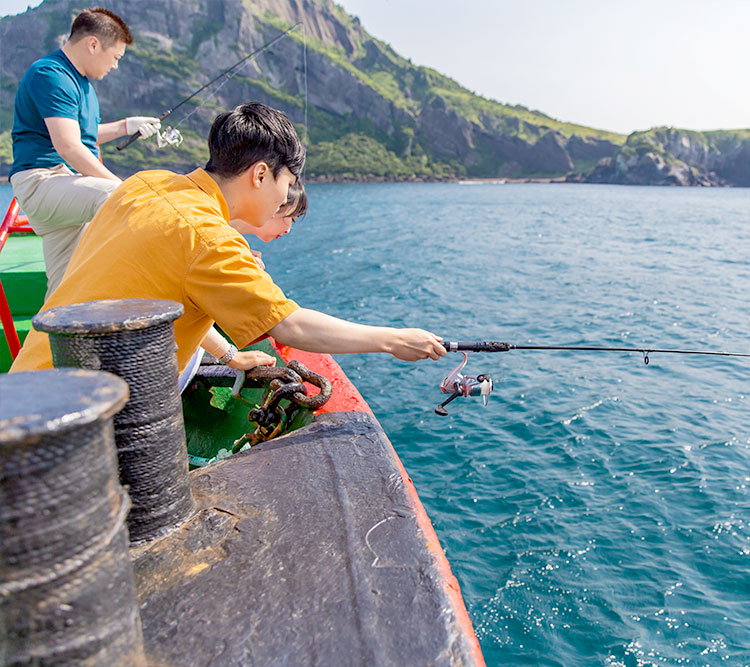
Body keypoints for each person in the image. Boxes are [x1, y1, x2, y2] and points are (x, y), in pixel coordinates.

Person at [10, 102, 445, 376]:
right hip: (79, 420)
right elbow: (290, 324)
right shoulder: (210, 240)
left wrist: (227, 354)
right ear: (260, 174)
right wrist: (393, 339)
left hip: (30, 381)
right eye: (286, 182)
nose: (283, 198)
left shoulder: (143, 184)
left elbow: (152, 284)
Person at [9, 6, 161, 297]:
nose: (116, 66)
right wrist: (121, 187)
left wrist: (126, 126)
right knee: (117, 197)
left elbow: (81, 136)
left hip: (64, 188)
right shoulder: (50, 75)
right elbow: (68, 145)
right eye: (115, 57)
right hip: (43, 182)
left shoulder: (82, 84)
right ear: (93, 44)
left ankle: (45, 342)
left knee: (64, 291)